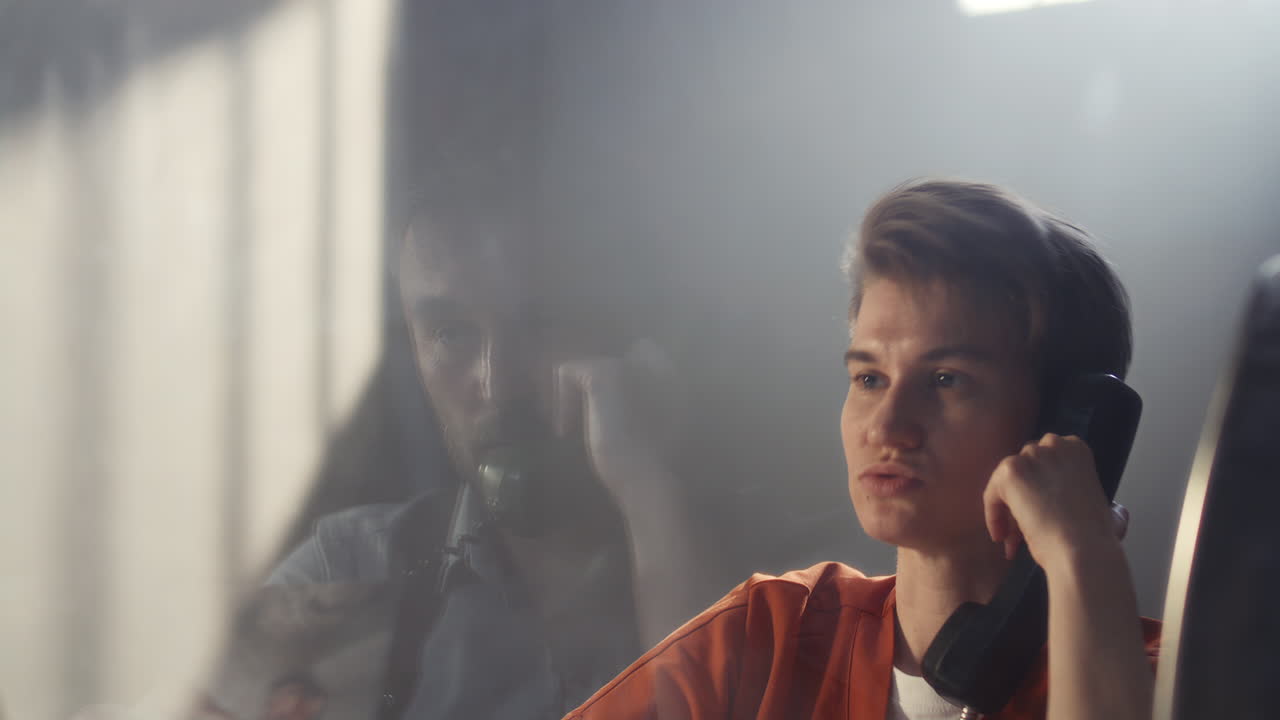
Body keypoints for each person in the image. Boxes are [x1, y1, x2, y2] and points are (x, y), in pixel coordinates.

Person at [564, 179, 1161, 720]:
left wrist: (1085, 559)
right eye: (870, 378)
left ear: (1066, 427)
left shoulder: (1171, 683)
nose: (887, 426)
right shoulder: (770, 637)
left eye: (947, 379)